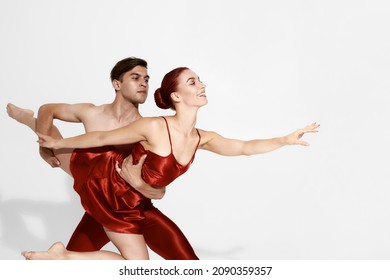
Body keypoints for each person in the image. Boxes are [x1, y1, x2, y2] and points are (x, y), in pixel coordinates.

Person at [23, 66, 320, 260]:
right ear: (177, 95)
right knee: (139, 267)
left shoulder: (202, 138)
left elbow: (243, 147)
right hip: (112, 192)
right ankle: (29, 120)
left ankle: (65, 257)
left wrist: (284, 139)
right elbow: (102, 138)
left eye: (200, 80)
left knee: (187, 265)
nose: (202, 84)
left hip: (139, 204)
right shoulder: (154, 126)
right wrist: (59, 143)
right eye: (194, 81)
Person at [7, 57, 198, 260]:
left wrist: (138, 183)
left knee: (188, 264)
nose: (144, 83)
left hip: (127, 206)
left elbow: (158, 190)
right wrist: (45, 151)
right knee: (55, 138)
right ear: (117, 84)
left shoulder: (147, 128)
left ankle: (62, 257)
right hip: (89, 177)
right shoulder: (92, 113)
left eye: (146, 79)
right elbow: (48, 109)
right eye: (135, 77)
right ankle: (26, 117)